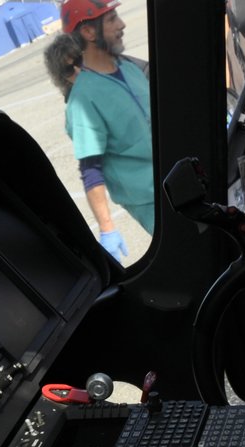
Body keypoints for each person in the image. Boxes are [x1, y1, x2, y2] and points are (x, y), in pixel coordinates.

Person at [61, 0, 155, 258]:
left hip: (179, 177)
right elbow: (90, 169)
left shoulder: (129, 68)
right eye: (112, 19)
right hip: (150, 199)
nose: (122, 24)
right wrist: (107, 229)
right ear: (89, 33)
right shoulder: (83, 99)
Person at [44, 32, 83, 99]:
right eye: (68, 70)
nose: (78, 71)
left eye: (78, 61)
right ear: (61, 77)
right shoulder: (76, 105)